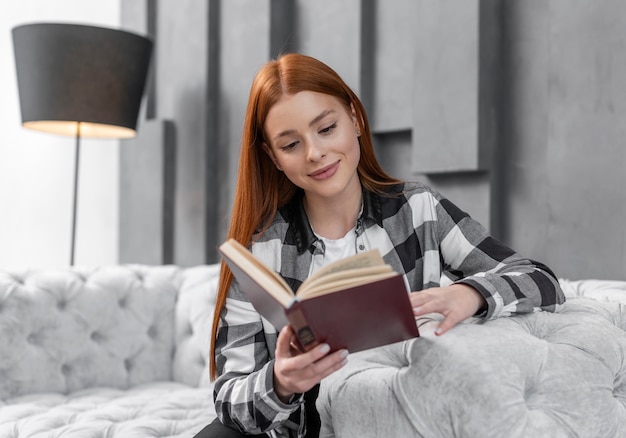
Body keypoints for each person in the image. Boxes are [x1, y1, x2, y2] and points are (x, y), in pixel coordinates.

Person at [193, 53, 565, 438]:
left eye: (326, 128)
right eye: (290, 144)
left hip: (393, 417)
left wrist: (469, 294)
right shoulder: (260, 249)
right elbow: (229, 396)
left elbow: (541, 279)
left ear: (354, 118)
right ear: (273, 158)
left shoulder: (419, 210)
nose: (314, 153)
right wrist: (281, 381)